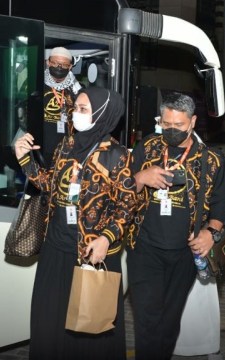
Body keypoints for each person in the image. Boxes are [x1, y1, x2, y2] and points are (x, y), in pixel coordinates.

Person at [14, 87, 137, 359]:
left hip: (91, 256)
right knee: (48, 323)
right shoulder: (66, 145)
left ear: (103, 114)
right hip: (55, 249)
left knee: (89, 332)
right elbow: (49, 184)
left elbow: (128, 205)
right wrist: (25, 158)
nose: (75, 114)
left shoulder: (116, 155)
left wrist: (106, 237)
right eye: (75, 108)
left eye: (83, 109)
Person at [126, 92, 225, 360]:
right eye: (166, 125)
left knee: (169, 321)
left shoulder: (212, 160)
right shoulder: (146, 148)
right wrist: (140, 177)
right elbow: (120, 191)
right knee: (147, 319)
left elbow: (221, 207)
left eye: (179, 126)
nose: (171, 131)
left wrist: (211, 233)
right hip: (144, 249)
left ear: (193, 121)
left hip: (184, 254)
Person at [41, 46, 83, 164]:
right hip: (40, 148)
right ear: (48, 63)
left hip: (67, 152)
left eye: (64, 65)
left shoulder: (78, 90)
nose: (59, 67)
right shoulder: (36, 84)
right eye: (55, 63)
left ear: (70, 67)